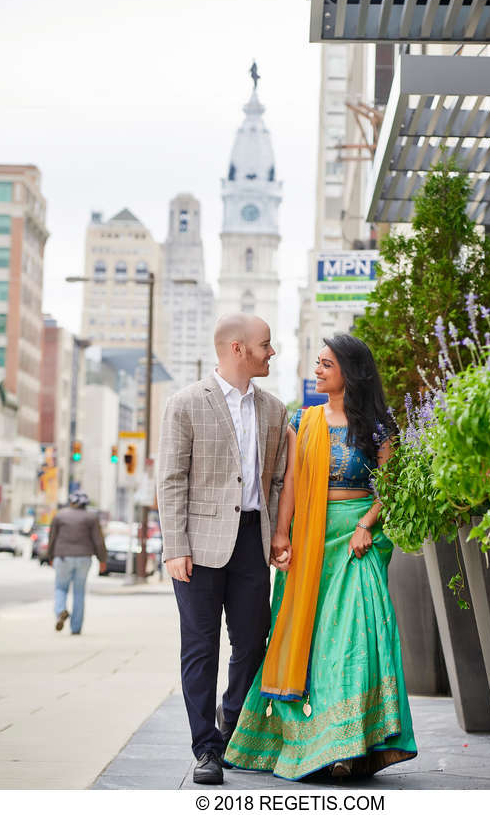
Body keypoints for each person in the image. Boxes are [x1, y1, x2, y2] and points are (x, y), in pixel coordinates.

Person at [224, 334, 418, 781]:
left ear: (350, 371)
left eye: (326, 364)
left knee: (351, 638)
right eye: (318, 363)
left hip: (357, 538)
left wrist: (367, 525)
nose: (318, 370)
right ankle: (308, 743)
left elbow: (388, 488)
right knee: (308, 640)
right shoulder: (304, 420)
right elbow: (291, 483)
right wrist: (279, 535)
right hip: (310, 537)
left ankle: (350, 744)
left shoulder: (378, 426)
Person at [157, 314, 290, 786]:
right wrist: (175, 546)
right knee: (200, 647)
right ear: (238, 349)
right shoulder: (186, 404)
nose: (272, 352)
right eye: (266, 345)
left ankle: (230, 721)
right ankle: (206, 749)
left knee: (253, 641)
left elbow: (276, 480)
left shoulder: (274, 410)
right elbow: (170, 480)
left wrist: (278, 533)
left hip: (252, 542)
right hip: (198, 546)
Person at [47, 491, 107, 635]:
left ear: (71, 502)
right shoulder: (91, 517)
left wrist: (49, 556)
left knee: (61, 588)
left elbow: (52, 538)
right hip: (84, 558)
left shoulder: (60, 515)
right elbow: (98, 541)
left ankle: (61, 610)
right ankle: (76, 628)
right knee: (79, 592)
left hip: (62, 557)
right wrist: (103, 560)